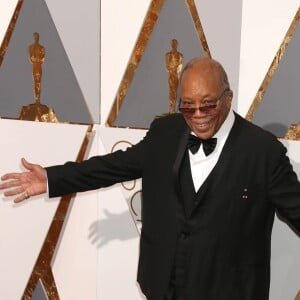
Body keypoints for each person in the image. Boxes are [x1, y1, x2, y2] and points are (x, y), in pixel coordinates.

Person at [1, 57, 300, 300]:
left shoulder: (263, 152)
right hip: (164, 287)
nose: (197, 114)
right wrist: (52, 179)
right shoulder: (166, 133)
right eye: (187, 106)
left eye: (207, 104)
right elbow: (113, 166)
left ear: (228, 98)